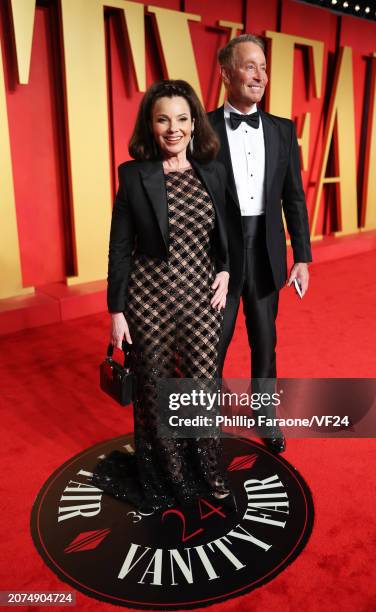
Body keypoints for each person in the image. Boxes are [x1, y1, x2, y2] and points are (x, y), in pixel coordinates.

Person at [92, 80, 233, 512]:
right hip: (148, 299)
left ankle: (207, 471)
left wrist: (226, 269)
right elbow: (119, 246)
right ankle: (164, 478)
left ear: (195, 123)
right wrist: (116, 310)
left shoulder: (213, 169)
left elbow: (226, 233)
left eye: (182, 119)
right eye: (162, 120)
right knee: (155, 391)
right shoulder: (134, 175)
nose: (173, 129)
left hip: (201, 297)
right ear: (151, 126)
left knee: (200, 388)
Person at [208, 35, 312, 454]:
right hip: (219, 259)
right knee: (213, 340)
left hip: (267, 253)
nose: (259, 76)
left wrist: (302, 256)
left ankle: (264, 414)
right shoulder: (203, 128)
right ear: (226, 73)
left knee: (265, 341)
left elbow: (294, 198)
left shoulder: (283, 130)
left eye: (263, 67)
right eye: (249, 66)